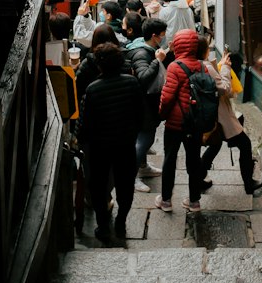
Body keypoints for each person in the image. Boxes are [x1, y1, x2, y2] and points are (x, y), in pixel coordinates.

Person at [77, 41, 145, 243]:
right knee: (125, 184)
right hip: (125, 143)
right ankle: (121, 221)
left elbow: (85, 123)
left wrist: (80, 140)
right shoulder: (131, 82)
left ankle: (103, 226)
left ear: (99, 65)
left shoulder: (93, 89)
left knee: (98, 186)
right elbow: (140, 115)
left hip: (100, 147)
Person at [156, 27, 212, 215]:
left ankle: (165, 200)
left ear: (178, 45)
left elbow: (167, 97)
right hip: (195, 122)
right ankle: (194, 201)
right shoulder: (202, 66)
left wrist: (162, 114)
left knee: (170, 160)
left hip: (175, 124)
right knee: (193, 161)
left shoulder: (175, 66)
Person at [200, 49, 262, 195]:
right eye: (207, 49)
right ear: (203, 51)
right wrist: (225, 67)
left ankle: (198, 178)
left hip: (210, 115)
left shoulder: (195, 65)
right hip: (219, 115)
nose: (209, 51)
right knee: (245, 144)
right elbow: (226, 89)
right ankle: (249, 184)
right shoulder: (206, 67)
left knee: (215, 144)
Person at [127, 16, 167, 190]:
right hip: (142, 102)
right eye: (162, 35)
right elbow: (143, 78)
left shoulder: (148, 47)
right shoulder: (142, 53)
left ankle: (143, 167)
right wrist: (158, 61)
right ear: (154, 35)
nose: (163, 38)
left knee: (145, 137)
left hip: (146, 101)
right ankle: (131, 176)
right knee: (145, 138)